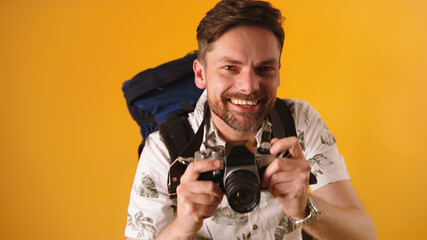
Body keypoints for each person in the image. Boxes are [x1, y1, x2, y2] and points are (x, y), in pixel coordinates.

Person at [125, 0, 377, 239]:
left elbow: (365, 235)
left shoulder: (298, 121)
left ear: (277, 73)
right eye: (230, 68)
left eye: (264, 68)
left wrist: (305, 208)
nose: (248, 86)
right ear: (201, 74)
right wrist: (181, 228)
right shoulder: (164, 150)